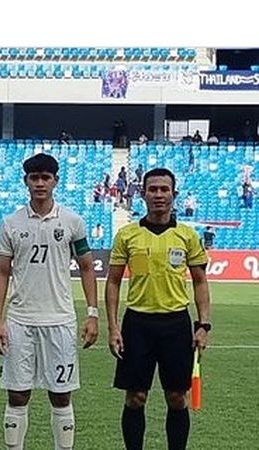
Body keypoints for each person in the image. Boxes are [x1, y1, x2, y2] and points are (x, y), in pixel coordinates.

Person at [0, 154, 99, 450]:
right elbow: (2, 272)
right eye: (34, 177)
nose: (40, 183)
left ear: (55, 181)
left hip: (60, 320)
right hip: (19, 321)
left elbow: (87, 266)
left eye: (45, 177)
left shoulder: (72, 222)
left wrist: (92, 314)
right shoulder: (11, 222)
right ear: (25, 181)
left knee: (61, 394)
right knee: (17, 393)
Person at [106, 168, 211, 450]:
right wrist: (114, 327)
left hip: (176, 325)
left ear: (174, 195)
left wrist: (203, 325)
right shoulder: (127, 235)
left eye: (164, 189)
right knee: (135, 397)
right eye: (153, 189)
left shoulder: (187, 236)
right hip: (137, 325)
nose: (159, 195)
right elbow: (113, 282)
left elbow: (201, 282)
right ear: (143, 194)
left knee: (177, 398)